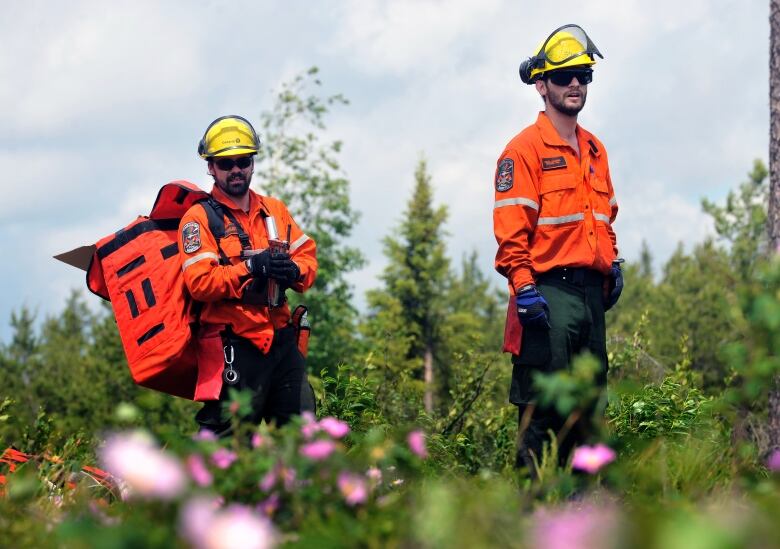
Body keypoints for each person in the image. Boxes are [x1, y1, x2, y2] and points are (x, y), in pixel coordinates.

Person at [492, 25, 623, 475]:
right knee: (544, 411)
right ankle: (530, 518)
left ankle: (584, 521)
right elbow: (512, 230)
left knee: (588, 412)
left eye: (583, 76)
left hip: (590, 296)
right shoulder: (523, 150)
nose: (575, 84)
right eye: (565, 75)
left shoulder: (595, 149)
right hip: (547, 295)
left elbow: (604, 215)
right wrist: (525, 288)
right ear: (541, 83)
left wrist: (612, 262)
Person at [179, 115, 317, 435]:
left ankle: (297, 487)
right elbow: (200, 283)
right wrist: (251, 268)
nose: (236, 169)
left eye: (243, 161)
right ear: (211, 167)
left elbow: (307, 258)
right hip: (235, 346)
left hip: (282, 341)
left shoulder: (274, 210)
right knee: (227, 443)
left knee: (302, 438)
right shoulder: (198, 219)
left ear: (252, 163)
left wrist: (294, 270)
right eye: (226, 163)